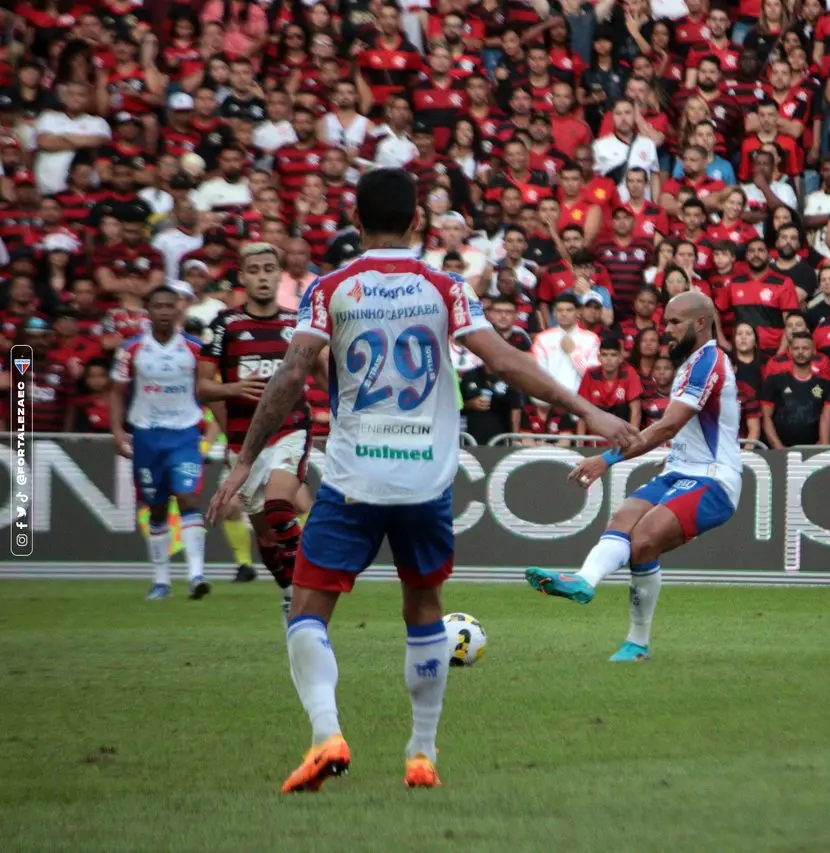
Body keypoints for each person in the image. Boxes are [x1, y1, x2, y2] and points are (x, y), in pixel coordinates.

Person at [206, 168, 638, 793]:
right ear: (417, 223)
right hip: (425, 483)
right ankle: (421, 753)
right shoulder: (445, 287)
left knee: (306, 610)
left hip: (354, 479)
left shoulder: (330, 288)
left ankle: (327, 733)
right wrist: (590, 411)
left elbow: (291, 374)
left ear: (355, 224)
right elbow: (505, 360)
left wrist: (244, 460)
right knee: (425, 611)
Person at [525, 292, 741, 663]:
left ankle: (638, 644)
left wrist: (607, 459)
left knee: (644, 540)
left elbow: (668, 426)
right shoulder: (691, 362)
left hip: (713, 480)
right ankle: (584, 581)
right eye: (666, 321)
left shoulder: (710, 363)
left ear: (701, 323)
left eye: (675, 322)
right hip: (678, 470)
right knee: (624, 519)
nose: (665, 329)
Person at [199, 243, 317, 616]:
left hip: (289, 429)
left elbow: (323, 369)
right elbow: (202, 387)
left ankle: (305, 589)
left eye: (270, 268)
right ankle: (288, 589)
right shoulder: (224, 324)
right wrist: (232, 388)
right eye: (255, 269)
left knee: (282, 504)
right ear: (243, 276)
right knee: (265, 535)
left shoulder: (295, 322)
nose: (263, 276)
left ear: (278, 274)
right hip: (243, 441)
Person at [109, 285, 209, 601]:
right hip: (147, 436)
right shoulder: (132, 349)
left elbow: (208, 390)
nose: (164, 311)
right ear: (148, 311)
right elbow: (116, 391)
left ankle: (196, 575)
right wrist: (117, 431)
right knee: (156, 507)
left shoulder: (195, 348)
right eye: (158, 306)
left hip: (184, 433)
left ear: (178, 310)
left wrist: (212, 429)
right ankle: (161, 580)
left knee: (188, 496)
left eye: (169, 306)